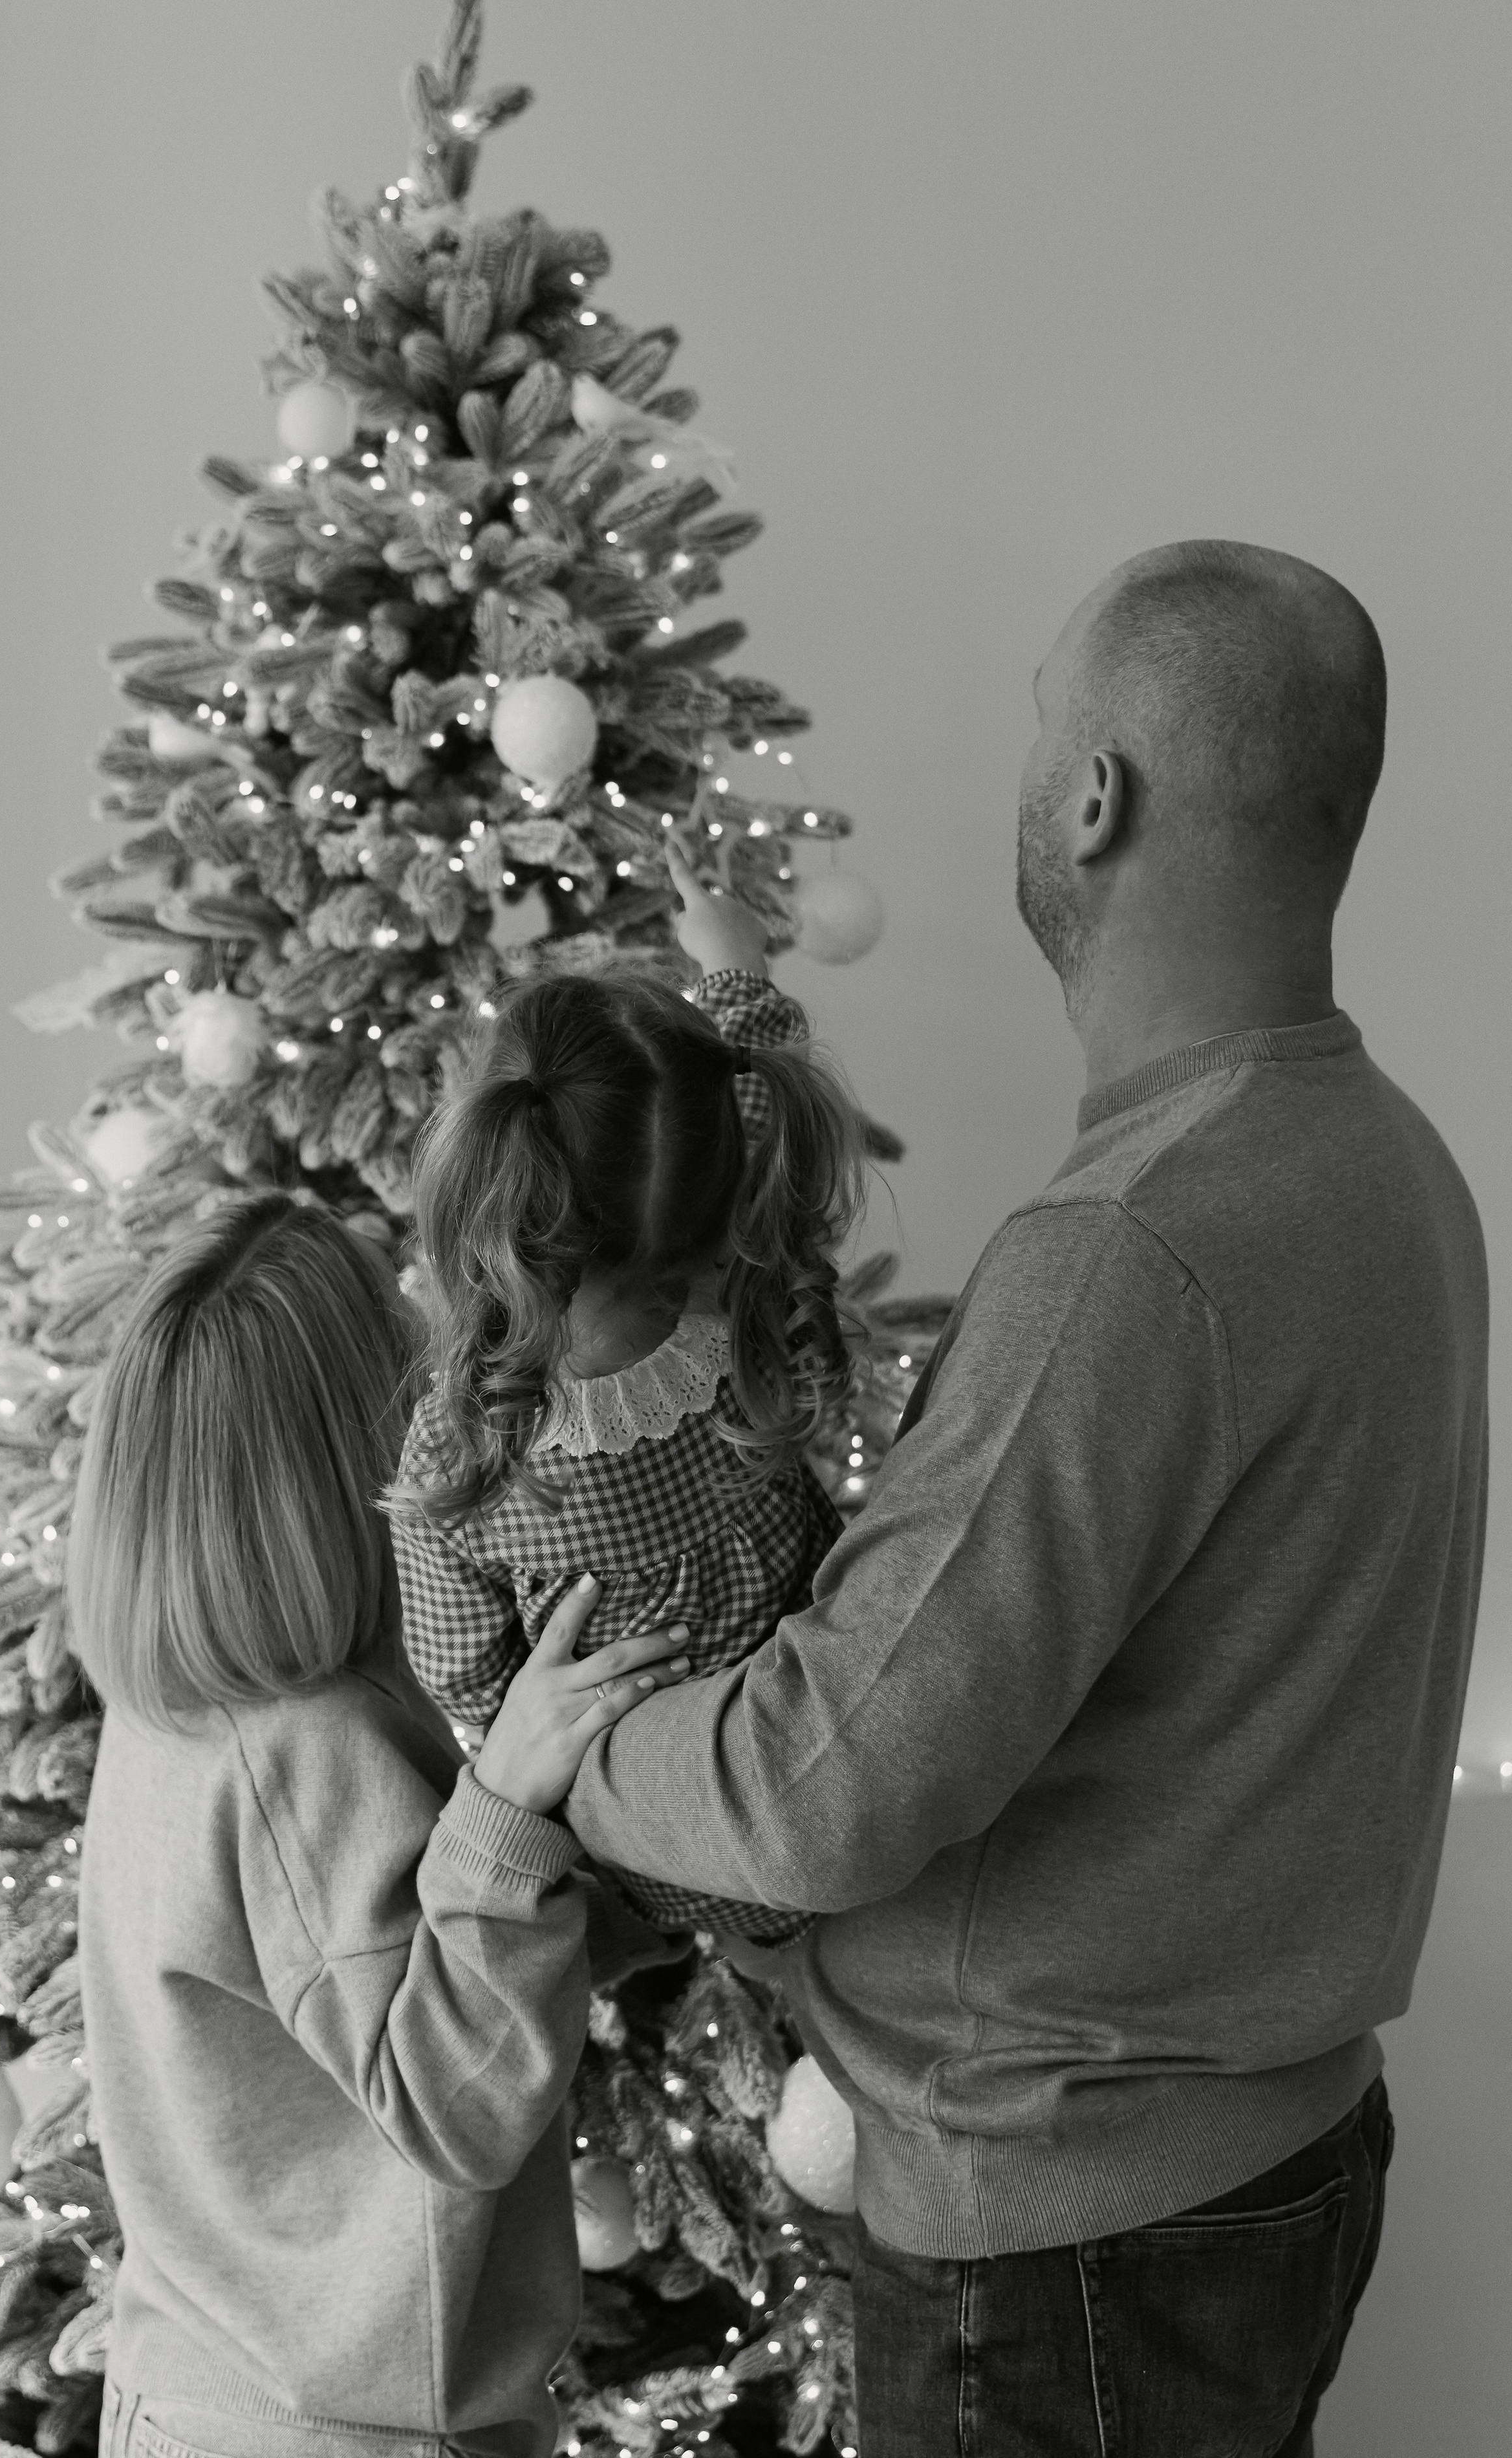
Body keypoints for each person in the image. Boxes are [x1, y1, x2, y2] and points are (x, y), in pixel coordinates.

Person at [567, 541, 1490, 2455]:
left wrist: (552, 1744)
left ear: (1097, 794)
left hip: (1078, 2234)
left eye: (1037, 729)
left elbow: (830, 1783)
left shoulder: (1132, 1244)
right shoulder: (1395, 1168)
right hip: (1278, 2157)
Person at [72, 1193, 689, 2458]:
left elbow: (368, 1983)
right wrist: (508, 1804)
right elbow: (448, 2100)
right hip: (338, 2429)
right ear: (366, 1445)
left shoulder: (168, 1715)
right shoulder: (306, 1754)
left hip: (192, 2388)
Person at [388, 865, 864, 1944]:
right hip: (832, 1782)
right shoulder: (748, 1275)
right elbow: (751, 1090)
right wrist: (734, 968)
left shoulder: (459, 1447)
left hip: (654, 1863)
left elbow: (470, 1684)